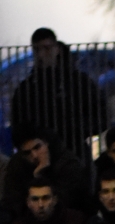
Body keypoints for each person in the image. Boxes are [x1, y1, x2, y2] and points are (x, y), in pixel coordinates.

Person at [10, 29, 107, 157]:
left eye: (46, 48)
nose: (41, 54)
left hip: (72, 153)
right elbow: (17, 129)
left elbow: (101, 117)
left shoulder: (78, 82)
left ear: (57, 49)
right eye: (37, 50)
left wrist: (73, 131)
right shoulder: (26, 89)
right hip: (44, 155)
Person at [4, 128, 91, 215]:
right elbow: (12, 201)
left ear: (46, 143)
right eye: (27, 153)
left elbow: (68, 201)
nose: (34, 155)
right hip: (28, 219)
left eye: (37, 147)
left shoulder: (69, 164)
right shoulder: (17, 165)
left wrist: (41, 176)